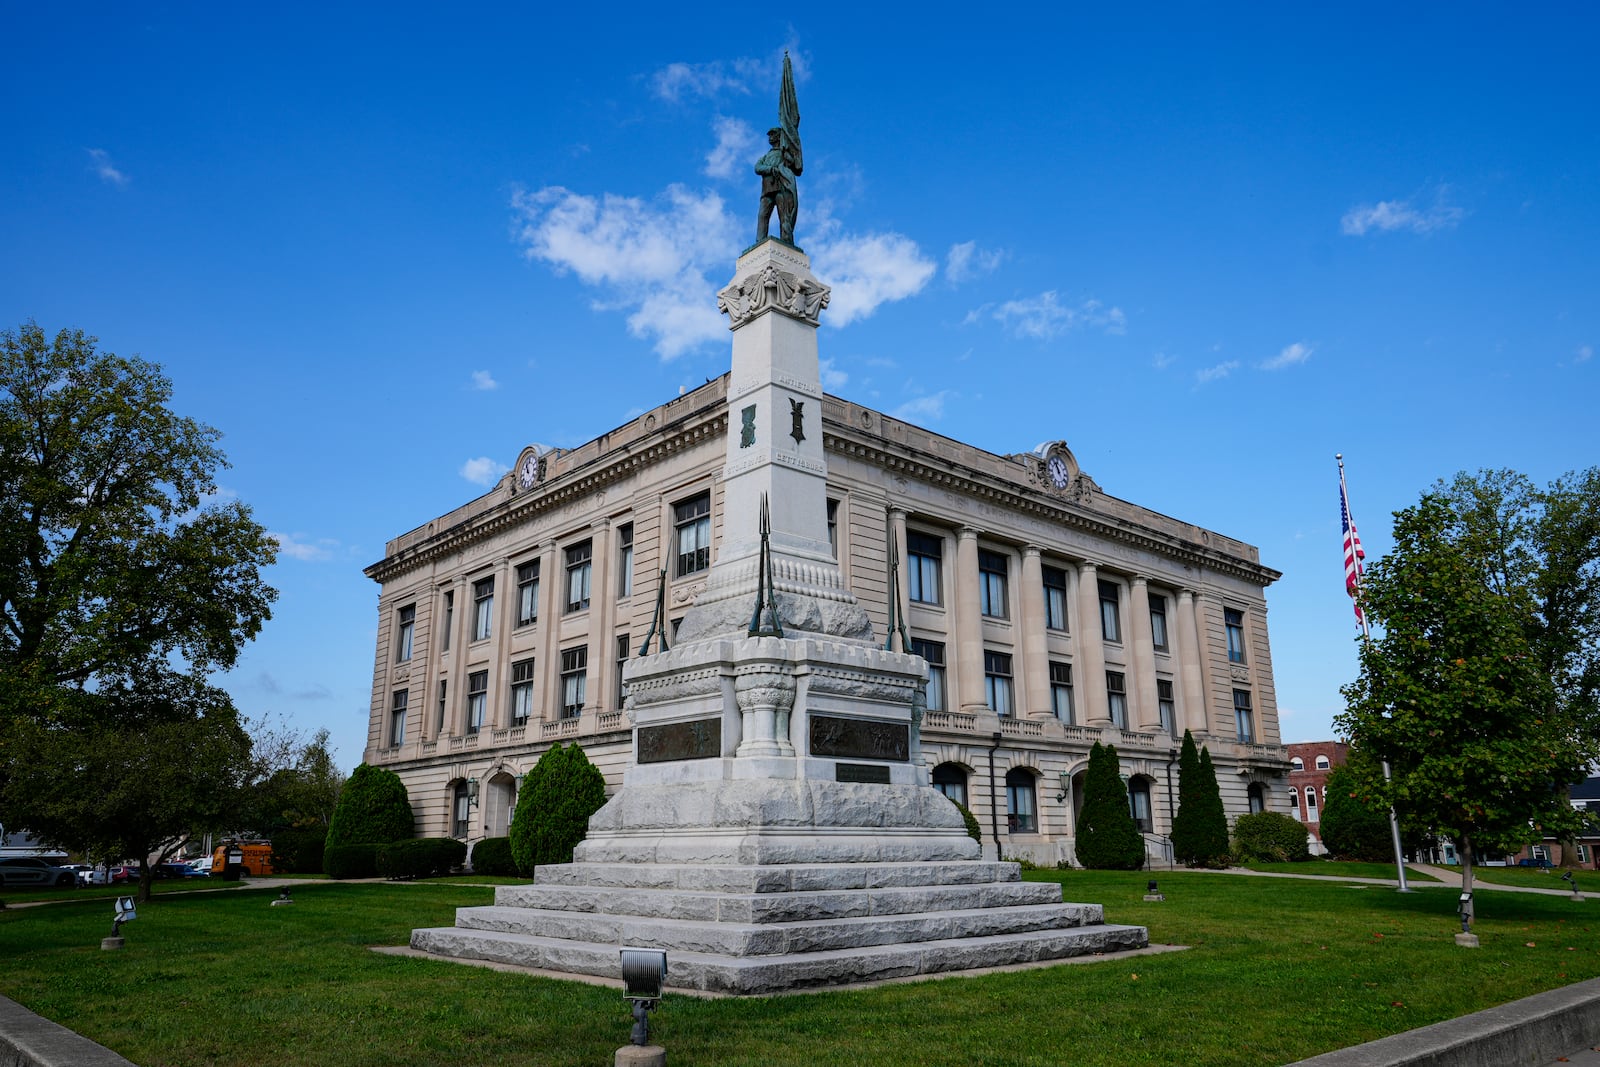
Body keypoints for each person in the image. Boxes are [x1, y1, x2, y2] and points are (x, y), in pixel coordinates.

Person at [755, 126, 800, 243]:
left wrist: (788, 156)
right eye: (770, 135)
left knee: (784, 216)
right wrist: (770, 169)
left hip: (781, 188)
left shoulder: (784, 152)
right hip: (767, 189)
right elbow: (757, 167)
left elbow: (795, 165)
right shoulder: (766, 156)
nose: (770, 137)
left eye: (773, 134)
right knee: (762, 215)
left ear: (779, 136)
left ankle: (787, 241)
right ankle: (760, 241)